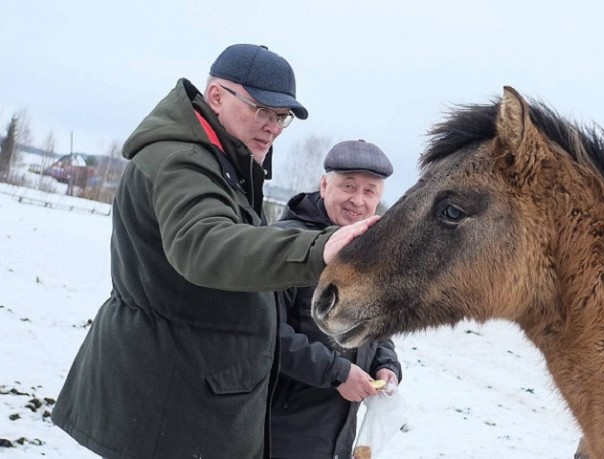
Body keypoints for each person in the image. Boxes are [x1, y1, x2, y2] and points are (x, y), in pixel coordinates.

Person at [51, 44, 378, 459]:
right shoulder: (182, 161)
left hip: (192, 396)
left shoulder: (223, 163)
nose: (273, 127)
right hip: (167, 401)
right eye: (262, 110)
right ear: (217, 96)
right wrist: (319, 249)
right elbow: (205, 244)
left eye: (281, 118)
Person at [270, 140, 403, 459]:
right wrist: (336, 372)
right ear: (324, 184)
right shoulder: (287, 243)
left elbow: (376, 329)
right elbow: (266, 333)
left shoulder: (369, 252)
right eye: (348, 186)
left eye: (370, 191)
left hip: (338, 434)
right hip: (280, 430)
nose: (358, 200)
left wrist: (387, 365)